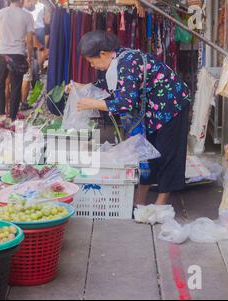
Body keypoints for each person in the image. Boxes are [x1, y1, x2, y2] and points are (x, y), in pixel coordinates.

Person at [71, 30, 191, 206]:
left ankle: (160, 203)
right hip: (153, 109)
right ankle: (139, 201)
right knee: (146, 152)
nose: (92, 66)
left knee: (166, 153)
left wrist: (93, 104)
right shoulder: (117, 59)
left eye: (92, 61)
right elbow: (110, 85)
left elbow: (125, 103)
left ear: (103, 54)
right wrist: (81, 87)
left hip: (172, 105)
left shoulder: (127, 62)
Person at [0, 0, 35, 122]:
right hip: (18, 54)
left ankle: (0, 114)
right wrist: (29, 57)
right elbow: (30, 41)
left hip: (2, 53)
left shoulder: (0, 13)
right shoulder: (27, 15)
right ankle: (12, 117)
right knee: (16, 86)